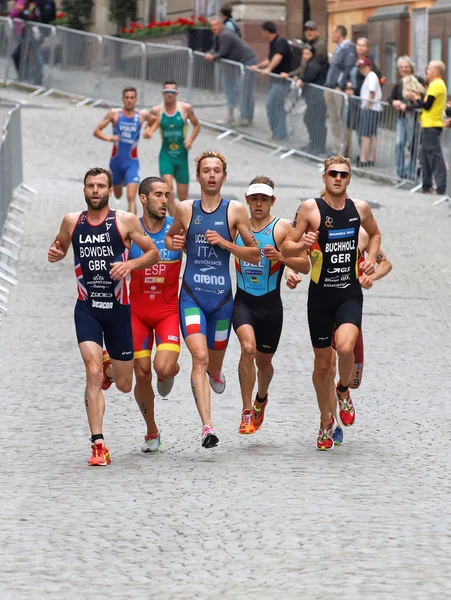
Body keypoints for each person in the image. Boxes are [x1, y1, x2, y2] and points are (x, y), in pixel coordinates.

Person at [47, 167, 160, 466]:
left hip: (119, 312)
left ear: (110, 191)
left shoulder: (124, 221)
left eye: (100, 186)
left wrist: (131, 265)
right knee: (92, 371)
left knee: (124, 384)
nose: (95, 191)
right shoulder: (72, 221)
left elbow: (153, 253)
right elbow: (59, 244)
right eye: (90, 186)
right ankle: (98, 444)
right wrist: (56, 252)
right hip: (87, 308)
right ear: (84, 190)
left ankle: (112, 368)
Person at [281, 155, 381, 451]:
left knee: (347, 347)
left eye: (344, 174)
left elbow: (375, 235)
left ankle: (343, 390)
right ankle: (326, 421)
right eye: (333, 174)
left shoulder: (359, 208)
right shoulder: (310, 209)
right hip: (320, 297)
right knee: (323, 366)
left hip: (349, 293)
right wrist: (301, 244)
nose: (338, 178)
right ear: (324, 178)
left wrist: (371, 262)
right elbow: (286, 244)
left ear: (349, 179)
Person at [164, 151, 260, 448]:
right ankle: (207, 427)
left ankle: (216, 372)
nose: (211, 175)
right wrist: (176, 243)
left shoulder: (234, 211)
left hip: (222, 301)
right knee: (199, 357)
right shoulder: (185, 209)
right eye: (206, 170)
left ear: (224, 176)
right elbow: (170, 238)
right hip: (192, 295)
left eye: (217, 170)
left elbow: (254, 253)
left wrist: (225, 243)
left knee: (213, 363)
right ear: (198, 176)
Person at [233, 176, 310, 434]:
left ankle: (261, 398)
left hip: (270, 306)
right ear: (247, 200)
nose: (258, 204)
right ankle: (246, 411)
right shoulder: (235, 226)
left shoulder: (282, 228)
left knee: (264, 363)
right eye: (254, 199)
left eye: (264, 199)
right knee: (247, 348)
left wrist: (286, 265)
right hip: (243, 300)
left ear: (272, 201)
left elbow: (304, 264)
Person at [128, 176, 182, 453]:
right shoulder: (130, 228)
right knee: (141, 372)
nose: (165, 200)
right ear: (144, 199)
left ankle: (171, 370)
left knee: (162, 368)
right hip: (136, 311)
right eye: (159, 195)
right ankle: (151, 430)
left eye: (167, 195)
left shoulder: (177, 227)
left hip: (166, 311)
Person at [330, 228, 392, 445]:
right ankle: (332, 424)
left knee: (354, 380)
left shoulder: (361, 234)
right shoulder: (320, 225)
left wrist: (370, 276)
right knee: (326, 368)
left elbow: (385, 263)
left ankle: (343, 390)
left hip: (350, 308)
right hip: (324, 305)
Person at [143, 80, 200, 215]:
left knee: (182, 197)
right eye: (167, 92)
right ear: (163, 94)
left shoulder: (185, 109)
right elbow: (149, 125)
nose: (169, 95)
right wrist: (147, 131)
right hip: (166, 155)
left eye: (172, 92)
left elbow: (197, 125)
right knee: (168, 191)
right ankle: (174, 222)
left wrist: (190, 140)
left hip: (181, 155)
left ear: (176, 94)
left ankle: (181, 218)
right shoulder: (157, 110)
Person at [93, 87, 153, 215]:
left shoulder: (141, 115)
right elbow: (96, 131)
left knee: (131, 197)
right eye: (127, 98)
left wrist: (149, 130)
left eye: (132, 98)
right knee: (118, 194)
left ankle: (131, 230)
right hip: (116, 162)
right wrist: (109, 138)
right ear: (122, 99)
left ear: (136, 99)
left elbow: (155, 120)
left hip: (132, 162)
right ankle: (122, 181)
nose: (129, 100)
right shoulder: (114, 114)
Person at [205, 17, 257, 126]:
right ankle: (231, 115)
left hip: (247, 60)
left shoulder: (225, 35)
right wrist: (210, 53)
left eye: (216, 25)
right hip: (233, 63)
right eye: (212, 25)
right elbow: (215, 49)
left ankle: (246, 117)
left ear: (221, 25)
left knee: (245, 89)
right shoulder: (217, 36)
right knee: (229, 87)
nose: (213, 28)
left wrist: (212, 57)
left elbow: (223, 52)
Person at [406, 60, 447, 195]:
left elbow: (427, 105)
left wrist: (414, 98)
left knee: (435, 156)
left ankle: (440, 186)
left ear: (435, 71)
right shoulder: (436, 85)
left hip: (432, 124)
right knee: (425, 156)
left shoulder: (436, 85)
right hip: (428, 124)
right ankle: (427, 185)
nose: (427, 72)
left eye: (429, 69)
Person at [251, 21, 293, 141]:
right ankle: (277, 133)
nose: (262, 34)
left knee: (272, 105)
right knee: (276, 106)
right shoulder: (273, 43)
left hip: (281, 81)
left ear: (266, 31)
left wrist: (268, 70)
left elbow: (278, 57)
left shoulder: (280, 42)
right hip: (275, 80)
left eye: (262, 31)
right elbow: (269, 59)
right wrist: (258, 66)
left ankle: (280, 133)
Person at [389, 56, 424, 181]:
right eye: (402, 67)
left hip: (415, 118)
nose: (404, 69)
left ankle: (411, 172)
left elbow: (422, 100)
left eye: (406, 67)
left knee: (413, 146)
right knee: (399, 143)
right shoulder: (399, 83)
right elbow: (391, 98)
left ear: (411, 68)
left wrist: (408, 106)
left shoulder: (418, 80)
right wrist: (394, 102)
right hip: (401, 118)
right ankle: (400, 171)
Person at [324, 26, 357, 153]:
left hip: (339, 89)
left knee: (342, 121)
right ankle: (336, 149)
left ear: (339, 34)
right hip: (330, 87)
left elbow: (348, 68)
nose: (331, 36)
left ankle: (344, 151)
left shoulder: (349, 48)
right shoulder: (338, 49)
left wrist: (342, 83)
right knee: (333, 120)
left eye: (333, 33)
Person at [295, 44, 328, 155]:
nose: (305, 56)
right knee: (311, 120)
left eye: (307, 53)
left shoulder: (315, 64)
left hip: (317, 98)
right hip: (313, 97)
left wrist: (302, 80)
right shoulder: (311, 63)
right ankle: (314, 144)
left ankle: (318, 146)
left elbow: (310, 76)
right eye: (303, 53)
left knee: (315, 122)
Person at [357, 57, 383, 167]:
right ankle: (370, 158)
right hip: (374, 108)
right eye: (360, 68)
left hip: (371, 108)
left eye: (364, 67)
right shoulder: (371, 76)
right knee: (371, 134)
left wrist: (367, 105)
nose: (362, 69)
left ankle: (364, 159)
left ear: (369, 66)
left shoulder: (371, 76)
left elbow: (371, 92)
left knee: (365, 134)